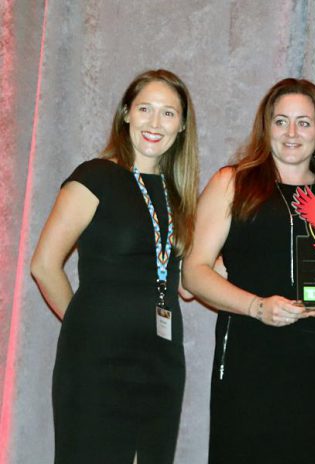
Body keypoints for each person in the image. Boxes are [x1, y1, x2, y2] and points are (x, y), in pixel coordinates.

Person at [31, 69, 200, 463]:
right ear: (126, 113)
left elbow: (189, 280)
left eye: (168, 113)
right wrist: (85, 326)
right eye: (145, 108)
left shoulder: (179, 196)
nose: (154, 123)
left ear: (182, 125)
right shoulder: (95, 177)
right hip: (96, 361)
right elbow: (44, 265)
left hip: (161, 362)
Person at [182, 78, 315, 464]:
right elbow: (192, 272)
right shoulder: (234, 183)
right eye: (281, 121)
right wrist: (259, 307)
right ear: (266, 127)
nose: (292, 133)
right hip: (251, 361)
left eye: (304, 123)